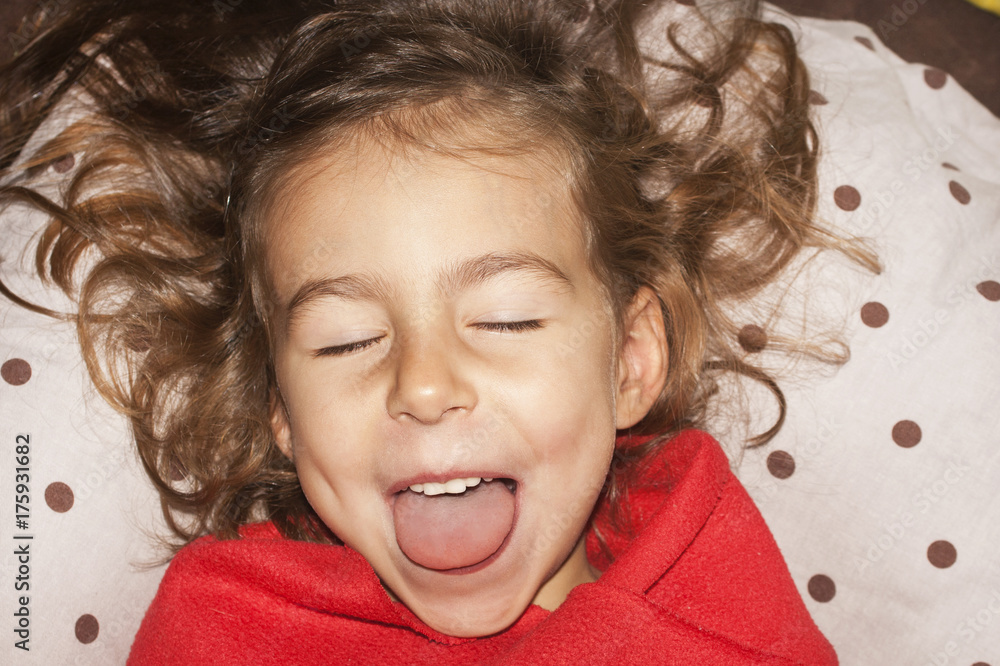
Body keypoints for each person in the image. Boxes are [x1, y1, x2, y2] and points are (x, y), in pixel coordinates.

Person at [0, 0, 877, 662]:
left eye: (505, 319)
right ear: (281, 407)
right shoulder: (235, 624)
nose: (422, 385)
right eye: (346, 340)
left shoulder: (702, 572)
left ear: (631, 361)